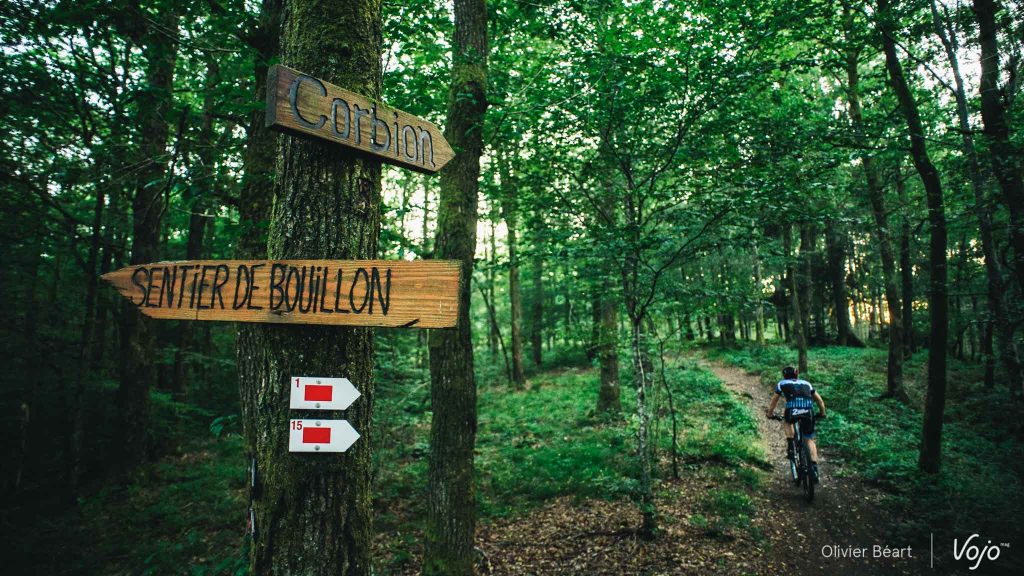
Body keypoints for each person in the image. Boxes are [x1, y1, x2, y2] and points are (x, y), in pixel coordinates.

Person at [765, 366, 826, 481]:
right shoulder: (807, 384)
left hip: (792, 410)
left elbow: (774, 400)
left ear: (784, 375)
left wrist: (770, 414)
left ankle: (790, 444)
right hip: (808, 411)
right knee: (809, 440)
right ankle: (814, 468)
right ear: (796, 374)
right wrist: (822, 413)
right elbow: (819, 401)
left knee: (788, 422)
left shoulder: (782, 383)